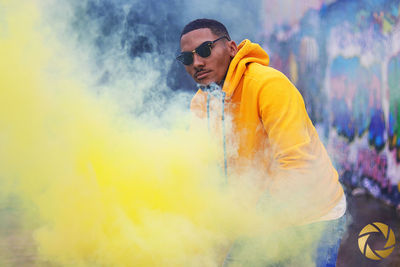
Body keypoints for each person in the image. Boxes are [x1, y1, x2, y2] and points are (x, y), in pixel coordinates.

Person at [177, 18, 346, 266]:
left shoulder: (268, 85)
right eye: (187, 58)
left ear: (231, 48)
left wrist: (251, 226)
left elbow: (297, 166)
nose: (197, 63)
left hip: (313, 216)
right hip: (256, 219)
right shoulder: (201, 102)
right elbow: (205, 167)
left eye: (204, 50)